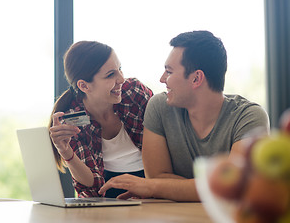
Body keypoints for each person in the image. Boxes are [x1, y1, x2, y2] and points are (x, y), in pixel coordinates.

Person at [98, 30, 270, 201]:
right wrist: (205, 188)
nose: (162, 79)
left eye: (169, 72)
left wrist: (153, 187)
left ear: (196, 78)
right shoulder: (159, 107)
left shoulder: (250, 117)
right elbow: (157, 176)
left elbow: (234, 187)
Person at [48, 41, 153, 198]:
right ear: (84, 86)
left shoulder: (134, 93)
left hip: (150, 184)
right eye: (111, 75)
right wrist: (65, 151)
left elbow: (166, 141)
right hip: (105, 195)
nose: (121, 79)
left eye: (120, 69)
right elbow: (92, 187)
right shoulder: (72, 122)